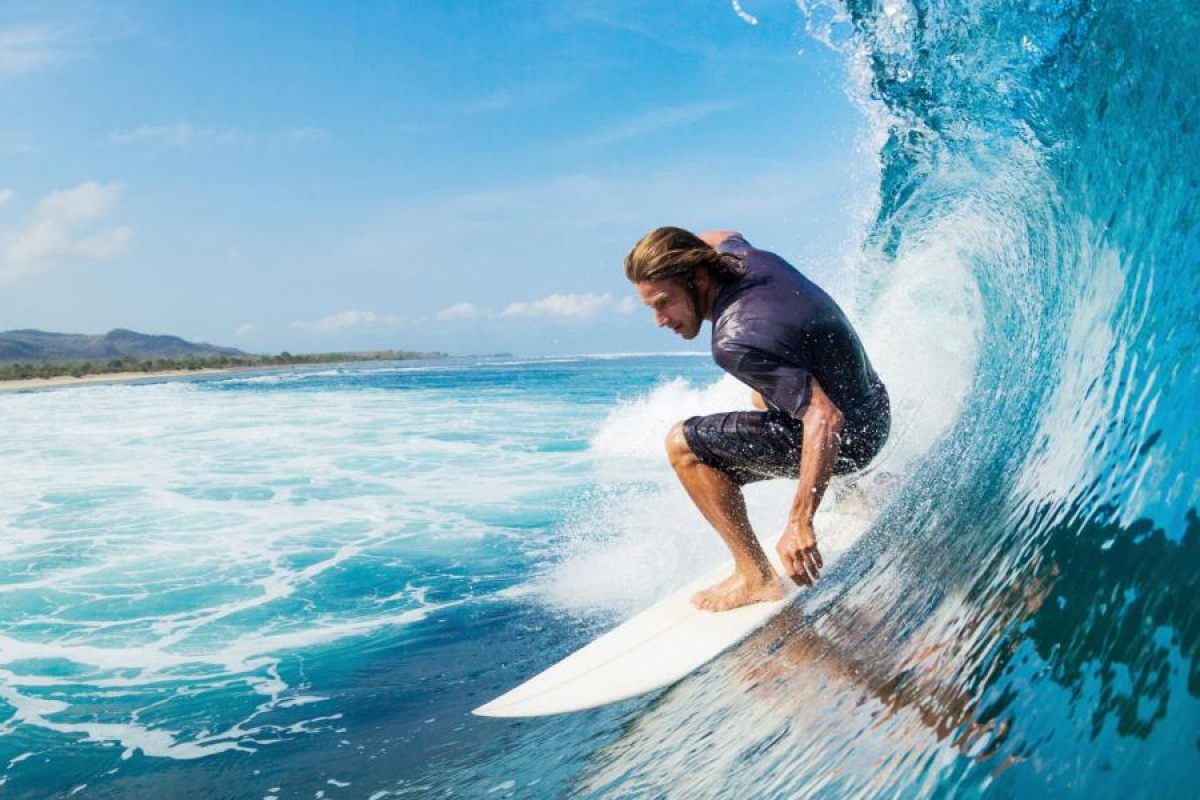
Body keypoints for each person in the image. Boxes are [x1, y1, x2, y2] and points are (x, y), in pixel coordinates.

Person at [625, 227, 890, 611]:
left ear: (698, 279)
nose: (659, 320)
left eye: (665, 302)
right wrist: (671, 251)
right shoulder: (741, 257)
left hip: (853, 442)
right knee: (764, 393)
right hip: (875, 407)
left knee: (683, 446)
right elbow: (722, 233)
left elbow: (824, 417)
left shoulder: (734, 341)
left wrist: (800, 521)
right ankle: (851, 491)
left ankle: (756, 577)